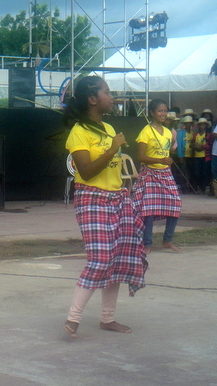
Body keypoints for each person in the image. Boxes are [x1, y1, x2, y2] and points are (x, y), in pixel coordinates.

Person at [63, 76, 147, 338]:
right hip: (91, 199)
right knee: (100, 259)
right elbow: (86, 172)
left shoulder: (109, 129)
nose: (112, 97)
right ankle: (73, 318)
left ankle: (107, 319)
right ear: (92, 99)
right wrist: (111, 151)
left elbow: (114, 170)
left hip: (116, 198)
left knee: (117, 259)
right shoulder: (79, 132)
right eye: (107, 92)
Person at [132, 99, 182, 254]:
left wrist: (171, 150)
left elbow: (167, 152)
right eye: (160, 111)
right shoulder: (146, 132)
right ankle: (147, 243)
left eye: (165, 111)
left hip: (165, 173)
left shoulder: (168, 132)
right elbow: (141, 156)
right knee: (148, 209)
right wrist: (159, 160)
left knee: (175, 204)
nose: (163, 113)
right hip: (150, 173)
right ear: (152, 113)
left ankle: (168, 240)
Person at [191, 118, 209, 193]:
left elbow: (209, 145)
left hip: (205, 156)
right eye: (200, 125)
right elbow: (191, 144)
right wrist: (195, 146)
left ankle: (203, 188)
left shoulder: (207, 135)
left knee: (204, 173)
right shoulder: (195, 135)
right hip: (196, 156)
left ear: (206, 126)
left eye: (203, 124)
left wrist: (203, 147)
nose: (202, 126)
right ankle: (198, 187)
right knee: (197, 173)